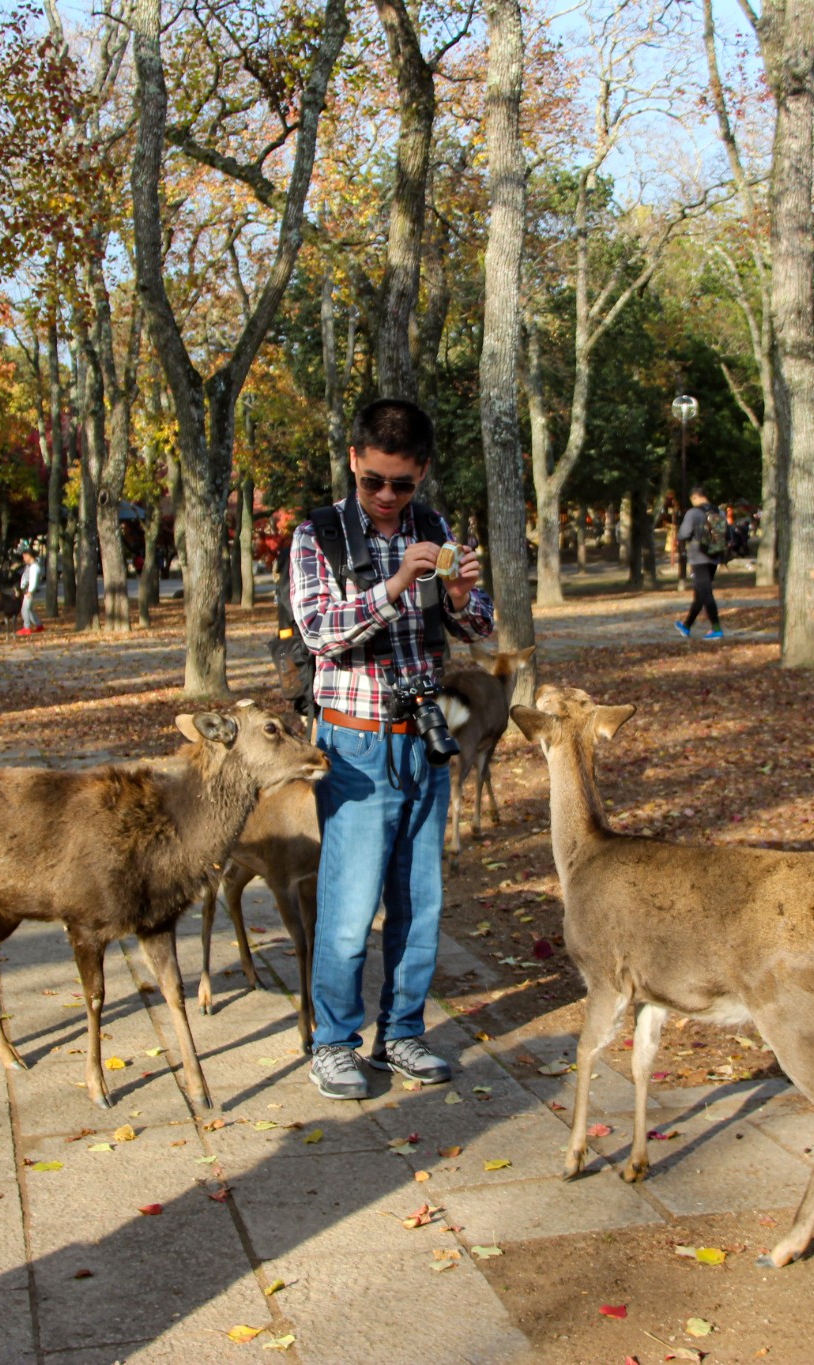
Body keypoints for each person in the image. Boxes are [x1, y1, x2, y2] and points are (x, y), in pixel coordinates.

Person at [289, 398, 495, 1100]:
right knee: (349, 906)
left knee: (420, 900)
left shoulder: (435, 529)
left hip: (425, 735)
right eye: (373, 479)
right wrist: (398, 584)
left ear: (423, 474)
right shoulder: (319, 534)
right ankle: (333, 1042)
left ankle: (402, 1030)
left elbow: (480, 626)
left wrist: (461, 595)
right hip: (354, 740)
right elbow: (320, 630)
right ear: (353, 459)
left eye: (401, 484)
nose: (384, 496)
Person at [675, 485, 723, 640]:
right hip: (714, 556)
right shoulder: (719, 511)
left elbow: (683, 534)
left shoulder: (693, 513)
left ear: (694, 497)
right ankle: (686, 626)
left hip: (698, 557)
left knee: (706, 593)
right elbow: (726, 532)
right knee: (700, 593)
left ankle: (716, 629)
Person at [16, 550, 44, 635]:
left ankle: (26, 627)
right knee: (30, 610)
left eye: (25, 556)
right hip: (27, 590)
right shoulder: (30, 566)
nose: (23, 558)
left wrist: (30, 591)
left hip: (29, 591)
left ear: (29, 556)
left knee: (24, 609)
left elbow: (33, 580)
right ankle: (39, 625)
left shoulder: (34, 567)